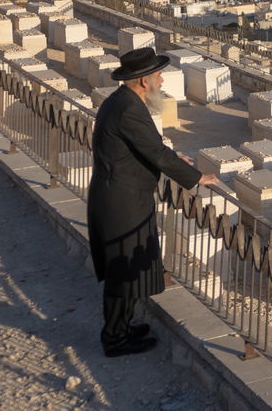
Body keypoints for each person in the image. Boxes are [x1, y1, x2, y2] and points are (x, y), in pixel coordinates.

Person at [89, 46, 216, 357]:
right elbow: (156, 153)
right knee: (123, 271)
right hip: (122, 200)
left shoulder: (123, 101)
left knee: (129, 268)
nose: (162, 80)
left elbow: (146, 146)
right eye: (158, 75)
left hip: (122, 195)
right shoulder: (129, 108)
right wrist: (195, 176)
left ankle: (124, 326)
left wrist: (177, 160)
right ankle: (115, 338)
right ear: (143, 81)